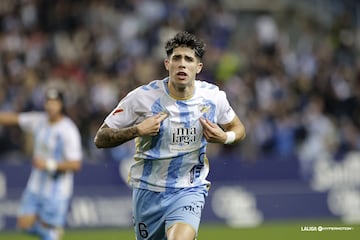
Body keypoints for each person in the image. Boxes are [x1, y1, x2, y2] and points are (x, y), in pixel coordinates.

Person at [94, 31, 246, 240]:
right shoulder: (142, 98)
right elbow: (100, 138)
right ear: (167, 64)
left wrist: (224, 137)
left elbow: (238, 128)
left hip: (189, 190)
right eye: (177, 58)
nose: (182, 64)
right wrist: (137, 130)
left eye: (189, 59)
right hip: (148, 192)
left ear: (198, 67)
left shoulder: (213, 97)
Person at [0, 88, 83, 240]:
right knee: (23, 224)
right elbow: (13, 118)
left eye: (54, 103)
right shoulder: (39, 120)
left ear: (61, 105)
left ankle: (51, 234)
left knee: (47, 228)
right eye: (48, 102)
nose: (51, 106)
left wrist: (48, 165)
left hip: (57, 189)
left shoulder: (68, 130)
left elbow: (76, 164)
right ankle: (52, 234)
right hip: (36, 184)